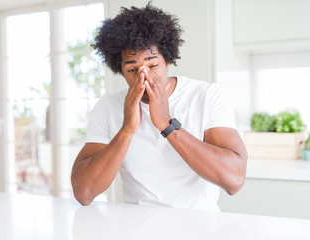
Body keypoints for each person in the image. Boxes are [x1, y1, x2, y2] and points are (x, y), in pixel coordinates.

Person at [71, 3, 247, 211]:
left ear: (168, 60)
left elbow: (234, 180)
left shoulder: (207, 96)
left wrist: (166, 124)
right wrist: (127, 130)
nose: (143, 76)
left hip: (200, 226)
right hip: (138, 227)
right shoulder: (108, 107)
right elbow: (84, 193)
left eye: (152, 65)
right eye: (132, 69)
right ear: (119, 69)